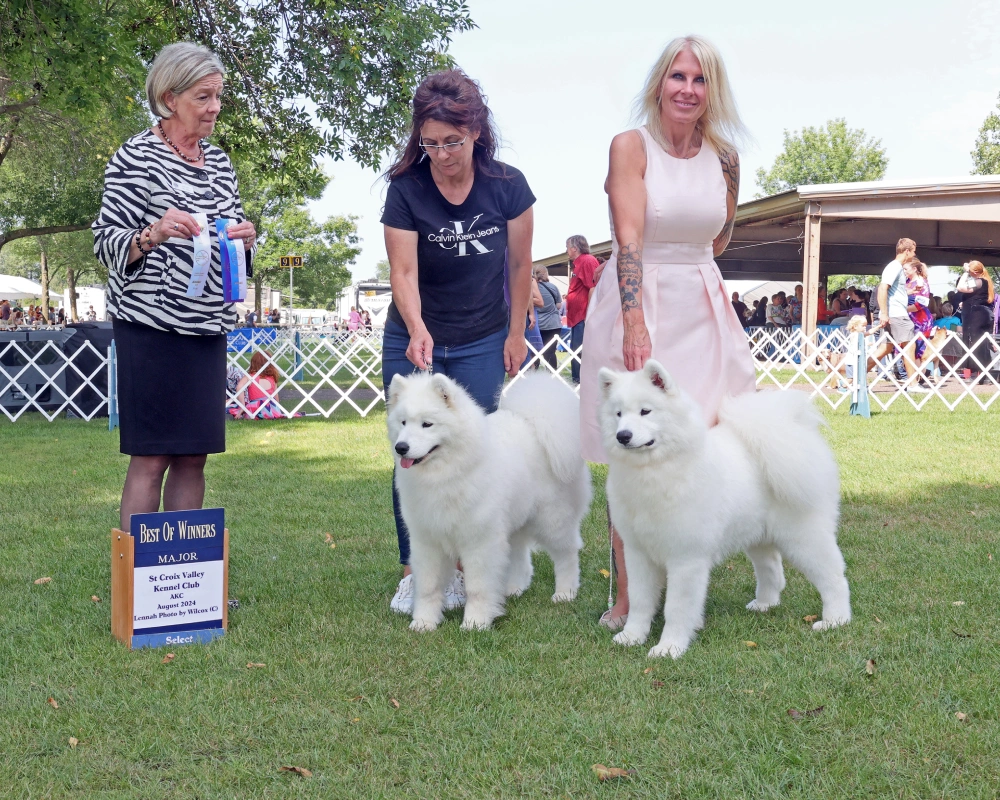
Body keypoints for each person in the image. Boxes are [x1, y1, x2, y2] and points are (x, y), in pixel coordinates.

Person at [579, 35, 757, 631]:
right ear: (660, 82)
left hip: (703, 300)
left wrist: (696, 262)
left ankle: (688, 578)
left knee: (709, 437)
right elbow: (627, 237)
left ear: (713, 91)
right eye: (678, 76)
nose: (687, 89)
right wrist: (635, 321)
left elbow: (723, 232)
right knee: (630, 449)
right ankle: (629, 597)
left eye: (700, 80)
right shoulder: (630, 146)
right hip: (640, 296)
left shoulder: (726, 157)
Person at [380, 69, 535, 615]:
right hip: (413, 331)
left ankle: (475, 572)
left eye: (452, 141)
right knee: (410, 453)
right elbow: (403, 273)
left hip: (483, 334)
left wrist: (516, 331)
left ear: (476, 132)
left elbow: (520, 266)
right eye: (430, 143)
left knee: (477, 452)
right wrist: (418, 328)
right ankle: (415, 574)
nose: (441, 154)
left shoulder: (508, 185)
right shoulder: (405, 189)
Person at [92, 42, 256, 534]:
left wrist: (243, 241)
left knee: (193, 457)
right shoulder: (135, 157)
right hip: (150, 328)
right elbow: (106, 244)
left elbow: (228, 241)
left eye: (219, 96)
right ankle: (141, 587)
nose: (214, 108)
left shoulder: (220, 163)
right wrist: (154, 232)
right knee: (151, 457)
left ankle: (185, 583)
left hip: (207, 327)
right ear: (169, 97)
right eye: (203, 97)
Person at [565, 235, 599, 383]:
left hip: (583, 315)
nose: (566, 250)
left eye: (567, 247)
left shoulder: (587, 261)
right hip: (576, 316)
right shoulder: (578, 263)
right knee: (575, 349)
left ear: (574, 248)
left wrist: (590, 313)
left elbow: (593, 287)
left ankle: (580, 380)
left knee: (580, 350)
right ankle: (577, 378)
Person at [957, 260, 996, 381]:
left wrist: (965, 272)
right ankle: (982, 374)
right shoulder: (981, 282)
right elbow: (975, 296)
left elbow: (960, 287)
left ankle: (979, 373)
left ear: (974, 271)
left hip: (977, 316)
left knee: (975, 343)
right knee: (978, 343)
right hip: (976, 315)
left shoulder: (979, 281)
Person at [231, 350, 284, 419]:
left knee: (232, 408)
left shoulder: (250, 377)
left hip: (255, 409)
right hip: (270, 409)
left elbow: (239, 387)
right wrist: (277, 410)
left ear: (253, 363)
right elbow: (276, 397)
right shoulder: (272, 378)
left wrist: (242, 406)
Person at [533, 265, 564, 371]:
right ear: (546, 274)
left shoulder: (531, 288)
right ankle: (552, 376)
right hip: (553, 325)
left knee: (534, 352)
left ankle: (531, 376)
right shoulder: (552, 287)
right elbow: (559, 305)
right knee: (550, 353)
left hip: (536, 325)